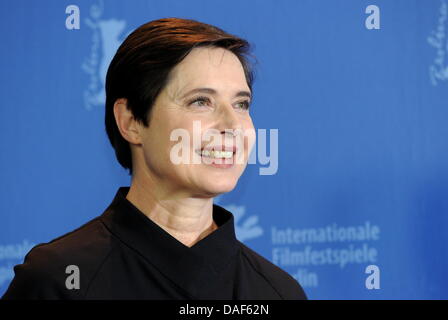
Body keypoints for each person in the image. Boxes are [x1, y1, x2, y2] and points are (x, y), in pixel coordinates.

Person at [2, 17, 307, 300]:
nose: (232, 125)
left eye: (241, 104)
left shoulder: (277, 292)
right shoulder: (59, 281)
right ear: (131, 121)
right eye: (201, 101)